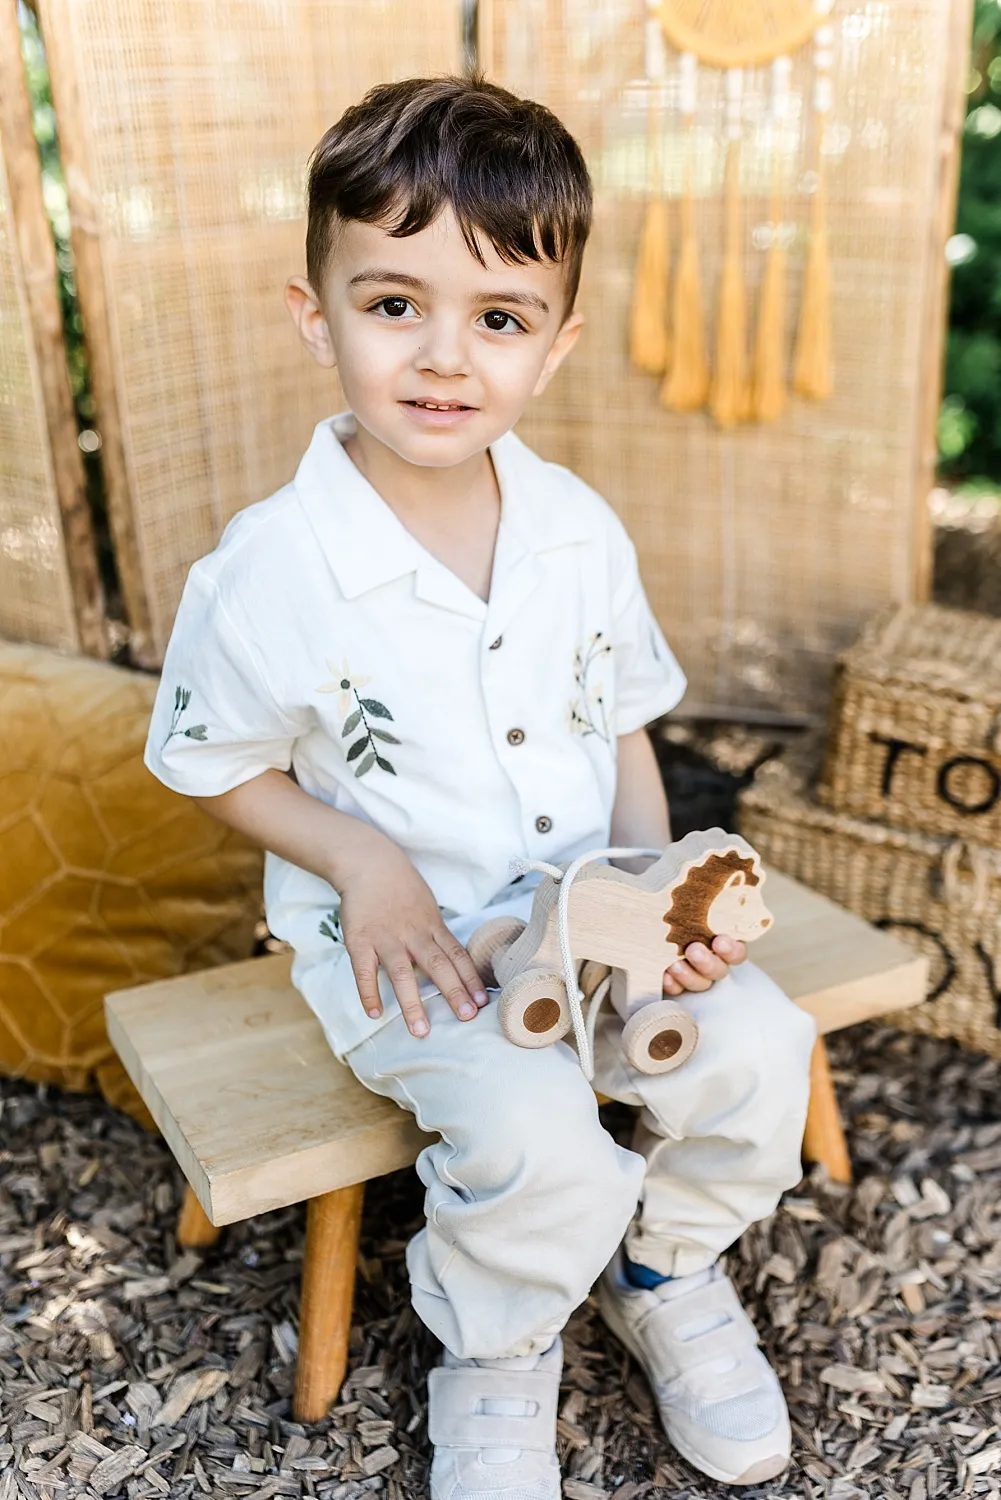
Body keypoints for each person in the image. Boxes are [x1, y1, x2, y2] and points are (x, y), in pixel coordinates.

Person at [144, 75, 815, 1498]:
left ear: (556, 346)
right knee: (532, 1139)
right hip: (417, 946)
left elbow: (623, 728)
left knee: (760, 1049)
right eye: (395, 304)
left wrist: (658, 903)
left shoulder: (577, 531)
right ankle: (498, 1350)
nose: (445, 357)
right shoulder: (270, 570)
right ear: (313, 311)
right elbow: (206, 764)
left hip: (593, 911)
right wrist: (363, 862)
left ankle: (662, 1269)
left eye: (497, 319)